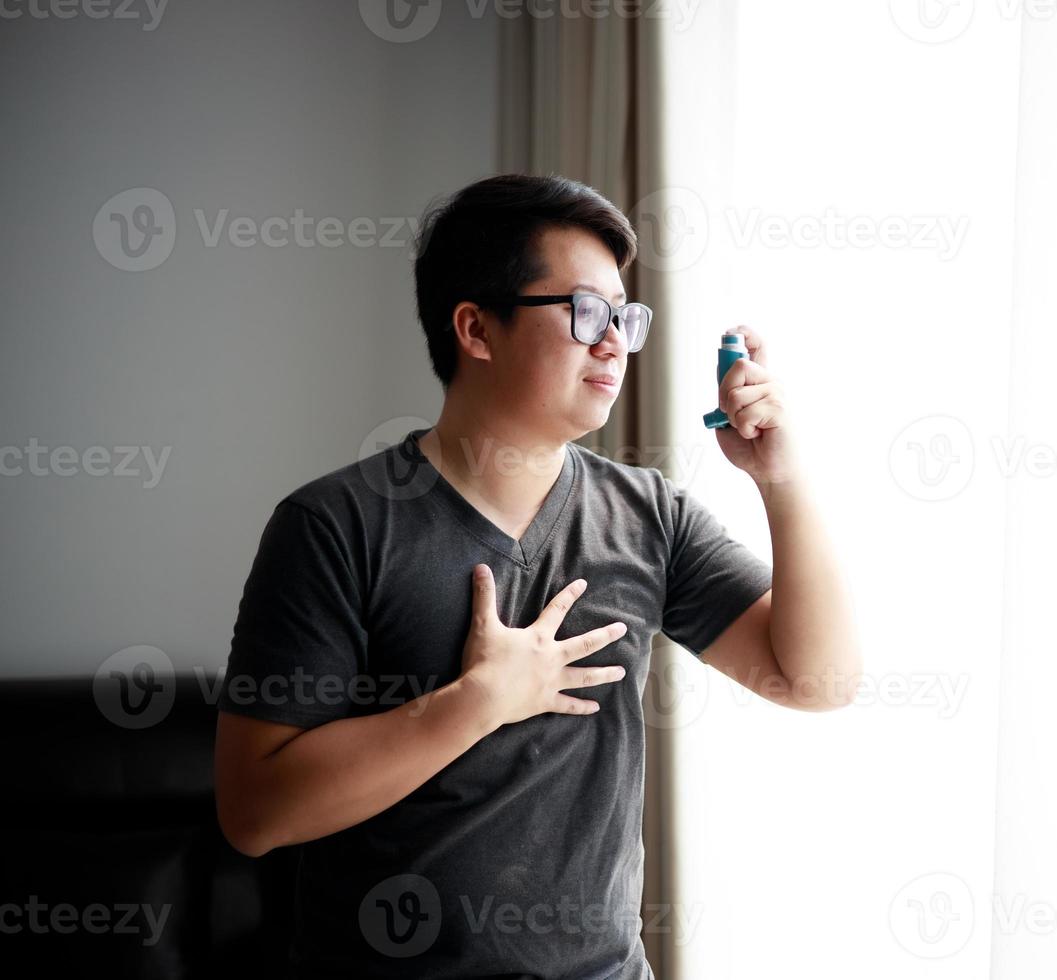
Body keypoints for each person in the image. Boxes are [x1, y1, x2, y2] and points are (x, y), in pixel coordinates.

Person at [213, 173, 862, 979]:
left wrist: (781, 479)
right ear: (476, 329)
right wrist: (475, 705)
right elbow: (254, 813)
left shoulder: (650, 516)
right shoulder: (335, 527)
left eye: (626, 317)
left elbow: (818, 681)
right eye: (586, 312)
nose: (614, 342)